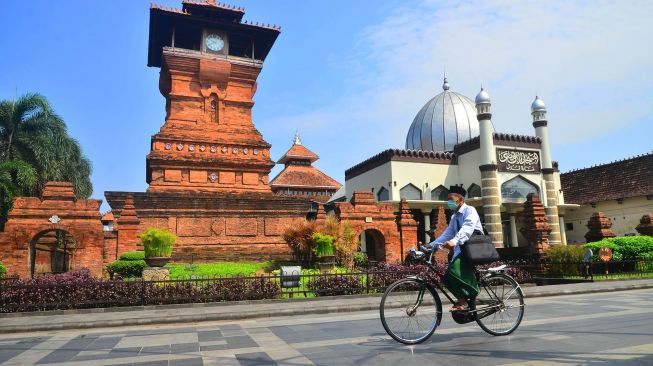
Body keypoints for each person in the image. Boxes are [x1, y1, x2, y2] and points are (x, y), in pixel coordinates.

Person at [427, 185, 484, 312]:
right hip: (463, 248)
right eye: (448, 199)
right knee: (446, 277)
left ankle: (472, 292)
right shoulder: (454, 216)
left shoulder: (470, 210)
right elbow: (448, 233)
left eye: (451, 199)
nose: (449, 202)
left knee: (454, 270)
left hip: (474, 247)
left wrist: (454, 241)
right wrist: (432, 244)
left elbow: (467, 229)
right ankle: (463, 300)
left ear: (461, 200)